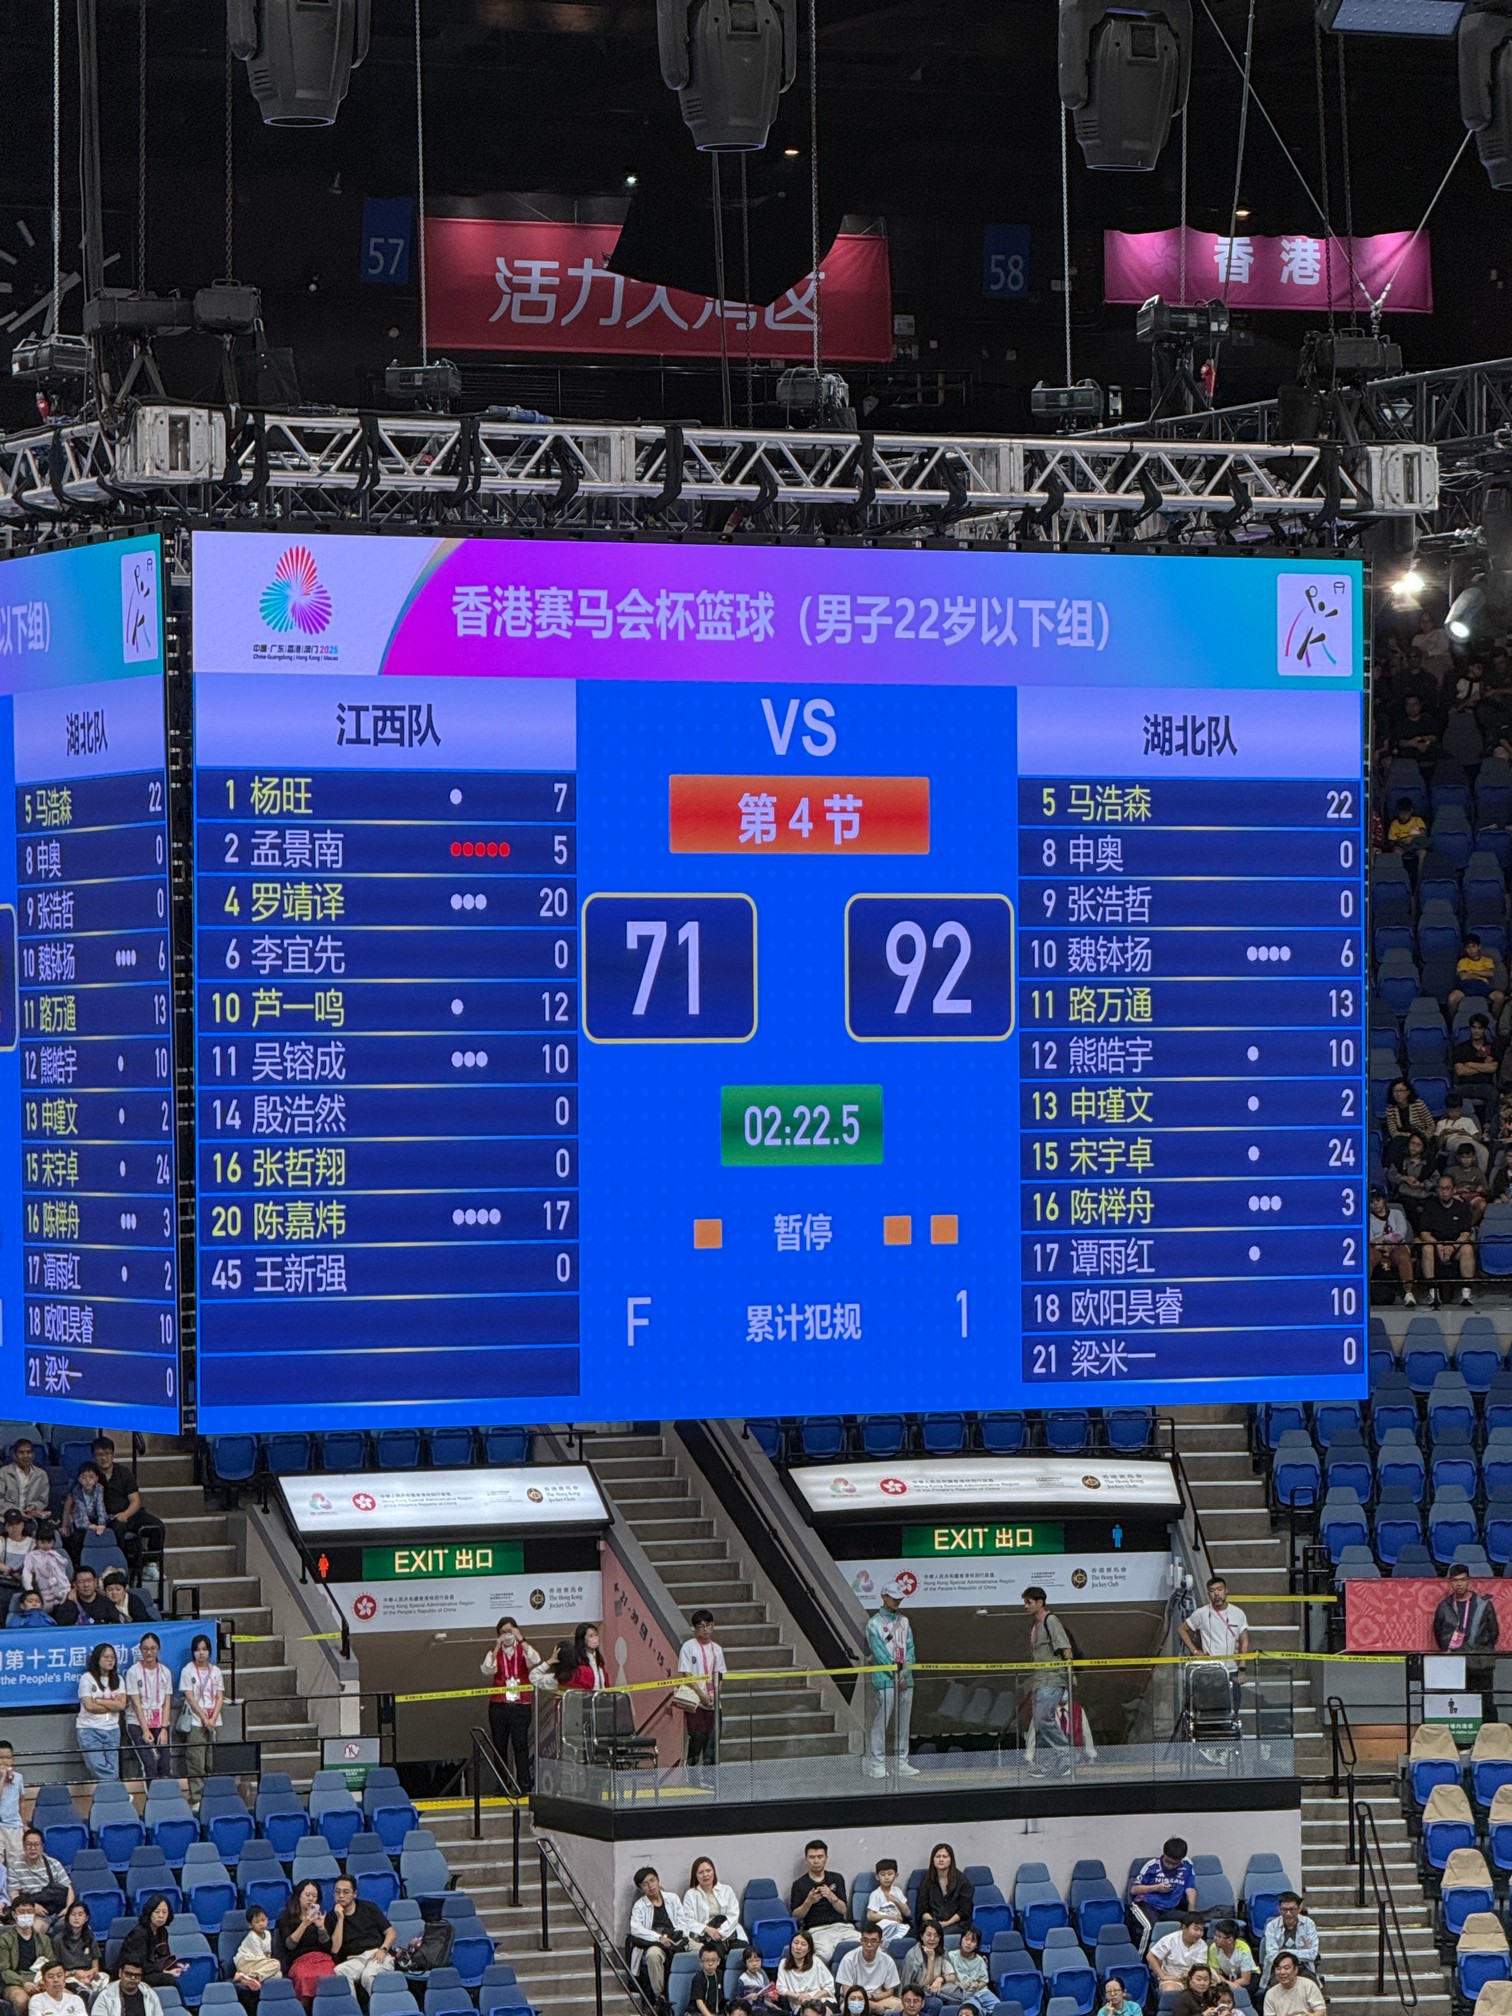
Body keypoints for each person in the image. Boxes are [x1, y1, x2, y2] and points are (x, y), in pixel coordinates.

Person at [479, 1616, 541, 1793]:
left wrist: (521, 1639)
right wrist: (497, 1647)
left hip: (521, 1704)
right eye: (503, 1632)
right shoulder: (494, 1652)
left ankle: (523, 1783)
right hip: (499, 1705)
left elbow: (535, 1659)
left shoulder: (523, 1649)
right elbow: (487, 1669)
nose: (507, 1635)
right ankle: (502, 1783)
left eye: (510, 1631)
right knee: (500, 1745)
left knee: (520, 1744)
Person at [864, 1584, 916, 1779]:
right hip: (884, 1679)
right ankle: (876, 1763)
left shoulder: (904, 1621)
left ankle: (901, 1761)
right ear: (884, 1597)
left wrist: (905, 1671)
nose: (897, 1601)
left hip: (905, 1679)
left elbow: (910, 1648)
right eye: (894, 1597)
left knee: (904, 1722)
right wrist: (895, 1672)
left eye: (899, 1598)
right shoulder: (874, 1624)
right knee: (881, 1721)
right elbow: (879, 1653)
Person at [90, 1440, 162, 1582]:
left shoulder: (124, 1472)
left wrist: (126, 1514)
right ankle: (124, 1568)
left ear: (113, 1455)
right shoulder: (91, 1474)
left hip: (129, 1513)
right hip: (108, 1518)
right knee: (117, 1530)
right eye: (99, 1454)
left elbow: (135, 1500)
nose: (104, 1458)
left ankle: (151, 1565)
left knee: (157, 1527)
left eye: (107, 1454)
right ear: (94, 1457)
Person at [1179, 1578, 1250, 1713]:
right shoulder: (1202, 1613)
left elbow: (1244, 1641)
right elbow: (1182, 1629)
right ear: (1208, 1594)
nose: (1216, 1594)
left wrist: (1242, 1668)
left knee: (1233, 1709)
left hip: (1231, 1669)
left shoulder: (1238, 1613)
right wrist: (1195, 1651)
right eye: (1212, 1591)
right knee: (1210, 1710)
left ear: (1226, 1591)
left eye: (1219, 1589)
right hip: (1209, 1671)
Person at [1022, 1586, 1072, 1772]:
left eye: (1028, 1602)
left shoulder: (1050, 1620)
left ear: (1039, 1602)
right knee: (1039, 1723)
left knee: (1044, 1719)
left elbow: (1065, 1648)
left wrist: (1070, 1675)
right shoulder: (1035, 1625)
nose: (1025, 1606)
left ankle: (1065, 1757)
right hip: (1040, 1679)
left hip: (1052, 1678)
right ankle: (1048, 1764)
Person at [1417, 1171, 1478, 1308]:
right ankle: (1432, 1293)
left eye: (1447, 1188)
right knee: (1426, 1248)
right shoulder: (1430, 1207)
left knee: (1467, 1248)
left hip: (1456, 1246)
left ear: (1454, 1190)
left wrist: (1453, 1247)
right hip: (1435, 1245)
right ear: (1437, 1190)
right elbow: (1425, 1233)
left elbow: (1465, 1234)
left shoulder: (1462, 1207)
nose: (1444, 1192)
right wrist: (1438, 1245)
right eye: (1441, 1188)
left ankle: (1466, 1294)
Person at [629, 1867, 688, 2003]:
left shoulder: (672, 1898)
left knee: (700, 1949)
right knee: (653, 1955)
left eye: (652, 1880)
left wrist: (675, 1936)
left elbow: (682, 1921)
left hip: (675, 1938)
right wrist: (659, 1938)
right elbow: (635, 1929)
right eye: (645, 1884)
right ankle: (659, 1996)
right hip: (655, 1943)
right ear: (640, 1889)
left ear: (658, 1880)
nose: (650, 1886)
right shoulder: (639, 1906)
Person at [678, 1611, 726, 1778]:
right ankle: (691, 1774)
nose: (705, 1629)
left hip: (713, 1702)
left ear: (713, 1626)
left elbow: (720, 1675)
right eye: (701, 1626)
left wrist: (715, 1695)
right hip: (696, 1701)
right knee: (697, 1737)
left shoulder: (717, 1650)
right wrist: (702, 1696)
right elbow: (686, 1674)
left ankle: (710, 1777)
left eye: (708, 1625)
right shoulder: (688, 1647)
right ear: (694, 1628)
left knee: (713, 1740)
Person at [326, 1876, 393, 1994]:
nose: (341, 1896)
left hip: (376, 1953)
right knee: (339, 1971)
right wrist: (340, 1918)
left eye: (346, 1892)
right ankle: (353, 2005)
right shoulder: (331, 1917)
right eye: (337, 1892)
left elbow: (391, 1932)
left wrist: (383, 1950)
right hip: (355, 1959)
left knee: (368, 1975)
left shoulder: (369, 1908)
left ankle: (376, 2004)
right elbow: (335, 1949)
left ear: (354, 1894)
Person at [177, 1634, 224, 1800]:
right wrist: (204, 1718)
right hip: (196, 1720)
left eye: (204, 1649)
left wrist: (213, 1718)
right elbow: (190, 1697)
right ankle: (197, 1796)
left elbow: (219, 1697)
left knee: (212, 1759)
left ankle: (212, 1795)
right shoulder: (187, 1670)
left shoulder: (216, 1671)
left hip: (214, 1720)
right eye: (197, 1650)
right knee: (196, 1760)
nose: (201, 1653)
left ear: (209, 1651)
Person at [788, 1842, 850, 1965]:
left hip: (841, 1927)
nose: (816, 1861)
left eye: (820, 1857)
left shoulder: (837, 1878)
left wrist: (832, 1897)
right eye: (812, 1857)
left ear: (826, 1858)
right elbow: (796, 1916)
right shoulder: (799, 1884)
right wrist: (808, 1901)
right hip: (816, 1929)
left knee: (865, 1946)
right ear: (806, 1859)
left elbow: (843, 1910)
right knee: (823, 1955)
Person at [275, 1883, 335, 2007]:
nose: (311, 1899)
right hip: (300, 1961)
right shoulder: (286, 1918)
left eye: (314, 1896)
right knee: (305, 1977)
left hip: (323, 1959)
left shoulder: (322, 1917)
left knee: (331, 1975)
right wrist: (304, 1924)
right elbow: (289, 1946)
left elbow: (329, 1947)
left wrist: (321, 1928)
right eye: (307, 1895)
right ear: (298, 1896)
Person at [124, 1636, 173, 1783]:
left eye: (152, 1648)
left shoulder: (165, 1672)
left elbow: (167, 1702)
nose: (149, 1652)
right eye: (145, 1649)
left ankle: (165, 1795)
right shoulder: (133, 1672)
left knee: (165, 1764)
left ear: (158, 1649)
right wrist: (145, 1730)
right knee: (149, 1764)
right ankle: (151, 1796)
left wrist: (164, 1728)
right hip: (138, 1723)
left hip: (159, 1722)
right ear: (140, 1650)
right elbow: (136, 1703)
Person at [75, 1645, 125, 1782]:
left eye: (113, 1657)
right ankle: (117, 1789)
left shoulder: (119, 1680)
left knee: (113, 1769)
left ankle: (113, 1791)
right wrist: (112, 1705)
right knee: (98, 1767)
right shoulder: (87, 1678)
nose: (110, 1660)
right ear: (97, 1659)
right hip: (89, 1729)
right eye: (106, 1657)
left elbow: (121, 1705)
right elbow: (89, 1706)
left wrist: (99, 1701)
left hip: (112, 1730)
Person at [0, 1902, 55, 2014]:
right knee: (21, 2000)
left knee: (65, 1994)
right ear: (14, 1914)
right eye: (21, 1912)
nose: (26, 1915)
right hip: (15, 1982)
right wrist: (23, 1983)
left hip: (40, 1979)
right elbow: (4, 1969)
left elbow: (52, 1964)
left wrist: (44, 1980)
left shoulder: (44, 1939)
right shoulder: (5, 1940)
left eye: (29, 1912)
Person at [682, 1859, 745, 1955]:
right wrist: (707, 1929)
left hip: (729, 1931)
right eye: (701, 1872)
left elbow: (734, 1914)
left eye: (708, 1871)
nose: (705, 1875)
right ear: (695, 1875)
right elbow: (688, 1920)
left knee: (742, 1951)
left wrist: (721, 1931)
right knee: (715, 1953)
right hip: (706, 1935)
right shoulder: (690, 1894)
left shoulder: (727, 1890)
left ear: (714, 1872)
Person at [119, 1899, 184, 1990]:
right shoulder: (139, 1934)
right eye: (157, 1912)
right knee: (170, 1980)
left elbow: (164, 1957)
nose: (161, 1916)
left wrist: (174, 1965)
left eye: (164, 1912)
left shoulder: (163, 1932)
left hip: (153, 1970)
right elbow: (138, 1964)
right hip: (136, 1973)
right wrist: (165, 1972)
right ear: (149, 1913)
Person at [834, 1929, 901, 2015]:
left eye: (873, 1941)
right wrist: (872, 2005)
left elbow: (889, 1992)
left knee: (902, 2007)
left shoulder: (887, 1960)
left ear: (880, 1943)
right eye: (865, 1940)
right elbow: (847, 1993)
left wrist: (873, 1997)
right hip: (855, 1999)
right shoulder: (848, 1959)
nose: (869, 1944)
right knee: (849, 2009)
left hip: (878, 1997)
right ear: (861, 1941)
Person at [1257, 1898, 1320, 1987]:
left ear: (1299, 1909)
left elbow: (1312, 1954)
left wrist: (1283, 1951)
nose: (1288, 1913)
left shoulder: (1308, 1924)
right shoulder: (1271, 1926)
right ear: (1279, 1909)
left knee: (1310, 1985)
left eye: (1292, 1909)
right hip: (1278, 1968)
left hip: (1302, 1967)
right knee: (1279, 1985)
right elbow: (1272, 1955)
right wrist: (1302, 1952)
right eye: (1284, 1909)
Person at [1369, 1188, 1417, 1302]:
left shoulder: (1397, 1213)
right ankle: (1364, 1291)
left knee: (1403, 1256)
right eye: (1371, 1202)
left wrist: (1383, 1238)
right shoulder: (1368, 1218)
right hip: (1377, 1248)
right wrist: (1383, 1245)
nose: (1375, 1204)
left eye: (1378, 1200)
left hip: (1397, 1246)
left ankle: (1408, 1292)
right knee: (1368, 1257)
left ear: (1384, 1200)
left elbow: (1400, 1234)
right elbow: (1371, 1239)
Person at [914, 1844, 973, 1934]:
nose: (941, 1860)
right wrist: (934, 1923)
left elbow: (964, 1911)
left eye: (944, 1857)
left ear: (951, 1859)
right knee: (916, 1934)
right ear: (933, 1859)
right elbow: (922, 1909)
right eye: (938, 1856)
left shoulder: (963, 1882)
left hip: (956, 1924)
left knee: (941, 1934)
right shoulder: (926, 1880)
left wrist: (947, 1923)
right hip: (931, 1923)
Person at [11, 1831, 72, 1916]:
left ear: (42, 1846)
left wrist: (68, 1909)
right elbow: (14, 1896)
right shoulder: (15, 1867)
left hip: (58, 1909)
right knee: (37, 1924)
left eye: (36, 1844)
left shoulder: (54, 1863)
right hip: (32, 1911)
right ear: (23, 1846)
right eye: (29, 1844)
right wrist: (32, 1906)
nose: (32, 1848)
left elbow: (69, 1888)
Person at [53, 1904, 105, 2002]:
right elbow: (55, 1968)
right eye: (73, 1914)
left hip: (87, 1975)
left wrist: (86, 1974)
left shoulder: (90, 1937)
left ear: (86, 1918)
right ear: (68, 1917)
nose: (76, 1918)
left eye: (80, 1914)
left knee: (104, 1978)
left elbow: (95, 1967)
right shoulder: (58, 1940)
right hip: (68, 1976)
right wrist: (74, 1974)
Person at [775, 1933, 834, 2014]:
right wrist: (798, 1996)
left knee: (825, 2012)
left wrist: (813, 1998)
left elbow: (830, 1986)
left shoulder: (816, 1961)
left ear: (809, 1949)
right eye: (796, 1943)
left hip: (820, 1999)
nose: (798, 1947)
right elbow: (781, 1988)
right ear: (791, 1945)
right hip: (799, 2003)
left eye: (803, 1944)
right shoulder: (784, 1963)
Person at [60, 1468, 107, 1565]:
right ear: (79, 1479)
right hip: (79, 1521)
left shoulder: (99, 1488)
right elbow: (81, 1514)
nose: (88, 1481)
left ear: (97, 1478)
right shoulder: (76, 1491)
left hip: (94, 1518)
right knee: (78, 1536)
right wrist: (92, 1527)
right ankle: (79, 1564)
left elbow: (100, 1507)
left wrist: (102, 1524)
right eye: (84, 1478)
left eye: (91, 1477)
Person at [1149, 1916, 1210, 1990]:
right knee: (1170, 1989)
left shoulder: (1202, 1945)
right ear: (1184, 1927)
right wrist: (1163, 1976)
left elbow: (1199, 1968)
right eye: (1196, 1929)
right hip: (1171, 1979)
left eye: (1201, 1930)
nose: (1199, 1933)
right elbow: (1150, 1956)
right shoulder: (1170, 1939)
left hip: (1192, 1980)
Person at [948, 1927, 997, 2015]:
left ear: (977, 1945)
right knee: (974, 2011)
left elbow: (984, 1981)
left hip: (982, 1992)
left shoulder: (979, 1960)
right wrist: (959, 1984)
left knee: (1000, 2008)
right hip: (965, 1994)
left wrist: (976, 1986)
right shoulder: (951, 1956)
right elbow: (947, 1977)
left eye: (973, 1941)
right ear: (961, 1940)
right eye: (966, 1939)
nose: (968, 1943)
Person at [233, 1904, 280, 1996]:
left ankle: (244, 1978)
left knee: (278, 1975)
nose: (261, 1924)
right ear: (250, 1925)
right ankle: (253, 1977)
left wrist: (267, 1961)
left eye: (263, 1920)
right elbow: (261, 1957)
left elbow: (267, 1954)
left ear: (267, 1920)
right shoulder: (252, 1937)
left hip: (257, 1964)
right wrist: (268, 1962)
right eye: (257, 1922)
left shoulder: (268, 1934)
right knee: (276, 1964)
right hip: (244, 1962)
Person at [899, 1925, 954, 2002]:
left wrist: (940, 1979)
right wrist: (931, 1959)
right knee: (936, 2002)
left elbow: (952, 1977)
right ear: (922, 1936)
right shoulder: (912, 1955)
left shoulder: (942, 1952)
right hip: (919, 1994)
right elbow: (926, 1985)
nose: (932, 1939)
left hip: (939, 1990)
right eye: (929, 1935)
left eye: (936, 1936)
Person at [864, 1862, 912, 1948]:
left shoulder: (897, 1891)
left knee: (906, 1929)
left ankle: (888, 1943)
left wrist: (896, 1901)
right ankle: (888, 1943)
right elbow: (870, 1916)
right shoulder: (876, 1894)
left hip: (897, 1924)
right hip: (883, 1924)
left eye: (890, 1874)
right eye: (883, 1875)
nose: (886, 1877)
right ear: (877, 1877)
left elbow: (907, 1912)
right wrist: (889, 1917)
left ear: (896, 1876)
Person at [0, 1445, 50, 1526]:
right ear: (14, 1455)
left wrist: (33, 1507)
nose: (25, 1455)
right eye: (21, 1452)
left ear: (33, 1455)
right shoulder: (3, 1473)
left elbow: (42, 1501)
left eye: (28, 1452)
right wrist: (17, 1511)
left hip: (29, 1518)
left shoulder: (41, 1475)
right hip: (5, 1518)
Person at [20, 1532, 69, 1613]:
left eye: (49, 1542)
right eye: (43, 1542)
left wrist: (65, 1588)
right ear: (37, 1542)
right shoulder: (32, 1555)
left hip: (58, 1589)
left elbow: (61, 1573)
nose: (46, 1545)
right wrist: (30, 1590)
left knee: (61, 1609)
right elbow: (27, 1573)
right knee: (44, 1610)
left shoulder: (56, 1555)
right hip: (41, 1589)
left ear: (53, 1542)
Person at [91, 1962, 161, 2016]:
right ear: (120, 1973)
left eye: (137, 1975)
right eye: (128, 1974)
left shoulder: (149, 1994)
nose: (133, 1978)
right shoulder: (106, 1996)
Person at [0, 1741, 28, 1875]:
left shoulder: (18, 1778)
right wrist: (2, 1780)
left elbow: (22, 1802)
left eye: (7, 1757)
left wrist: (24, 1824)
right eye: (0, 1757)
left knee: (16, 1862)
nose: (4, 1761)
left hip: (14, 1825)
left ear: (12, 1759)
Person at [556, 1624, 608, 1691]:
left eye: (596, 1635)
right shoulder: (576, 1660)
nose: (595, 1638)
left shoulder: (599, 1660)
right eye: (591, 1636)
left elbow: (606, 1684)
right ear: (582, 1639)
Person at [1207, 1922, 1256, 1989]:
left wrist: (1230, 1984)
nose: (1215, 1938)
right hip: (1226, 1976)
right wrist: (1227, 1983)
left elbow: (1245, 1980)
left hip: (1246, 1976)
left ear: (1230, 1940)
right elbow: (1217, 1974)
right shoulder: (1213, 1948)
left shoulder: (1243, 1948)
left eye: (1219, 1937)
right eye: (1215, 1935)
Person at [0, 1517, 34, 1592]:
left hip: (24, 1580)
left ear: (22, 1525)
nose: (14, 1527)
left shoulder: (32, 1542)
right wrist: (11, 1571)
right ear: (5, 1527)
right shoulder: (1, 1540)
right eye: (11, 1524)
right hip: (4, 1581)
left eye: (17, 1524)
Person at [693, 1945, 729, 2016]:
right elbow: (699, 2001)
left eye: (713, 1960)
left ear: (718, 1961)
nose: (710, 1964)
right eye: (706, 1961)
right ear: (701, 1963)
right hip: (699, 2013)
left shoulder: (720, 1974)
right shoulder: (698, 1978)